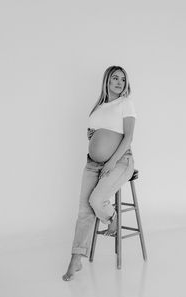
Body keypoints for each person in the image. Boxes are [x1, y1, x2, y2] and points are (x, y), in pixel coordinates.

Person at [62, 66, 137, 281]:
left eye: (123, 79)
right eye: (114, 78)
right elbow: (95, 133)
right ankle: (76, 259)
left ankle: (112, 217)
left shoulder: (126, 104)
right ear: (106, 81)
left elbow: (128, 137)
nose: (119, 82)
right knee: (84, 210)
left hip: (120, 162)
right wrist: (94, 138)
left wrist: (111, 162)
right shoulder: (99, 107)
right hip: (93, 164)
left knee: (96, 199)